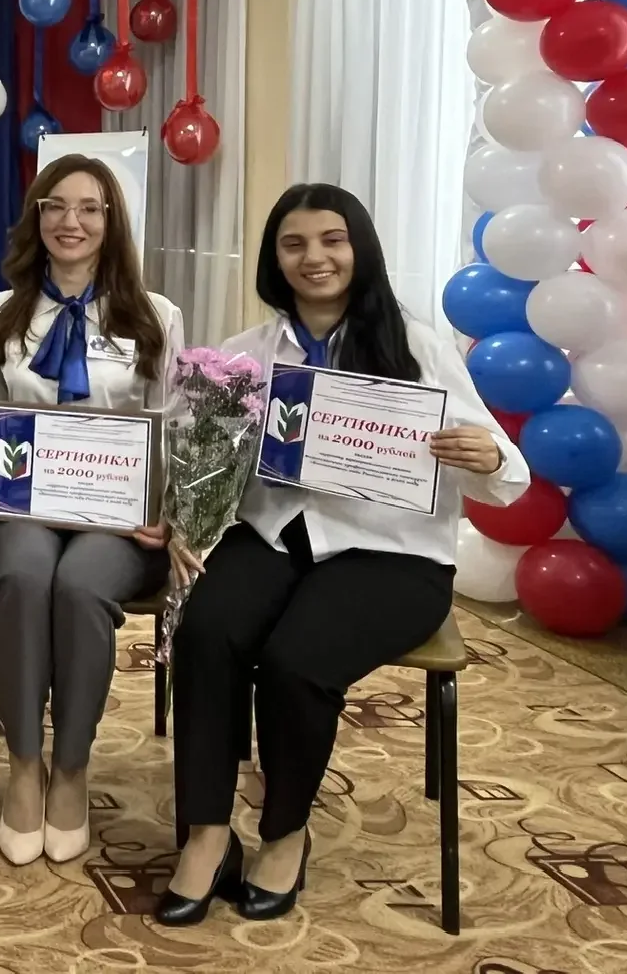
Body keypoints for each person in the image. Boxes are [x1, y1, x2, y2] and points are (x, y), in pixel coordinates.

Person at [158, 184, 527, 925]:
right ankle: (206, 834)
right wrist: (182, 516)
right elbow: (198, 459)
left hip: (392, 551)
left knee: (297, 661)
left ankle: (286, 832)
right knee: (206, 632)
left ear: (360, 248)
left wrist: (488, 456)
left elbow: (499, 468)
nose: (314, 258)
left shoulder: (415, 345)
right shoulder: (245, 356)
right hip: (275, 532)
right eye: (293, 244)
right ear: (274, 260)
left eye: (332, 240)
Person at [0, 153, 180, 866]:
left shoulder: (156, 317)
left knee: (80, 586)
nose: (70, 221)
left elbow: (174, 427)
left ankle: (73, 767)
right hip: (25, 509)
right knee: (25, 578)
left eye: (89, 207)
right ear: (37, 217)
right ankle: (25, 764)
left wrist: (168, 512)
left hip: (119, 522)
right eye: (54, 205)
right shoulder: (0, 314)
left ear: (111, 221)